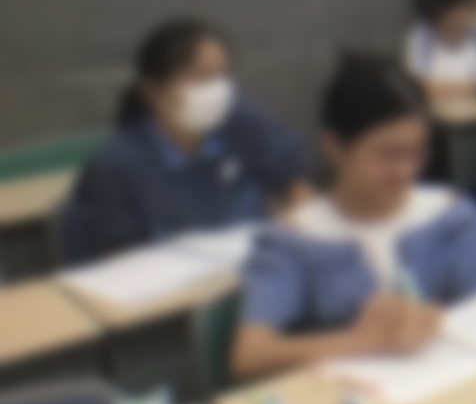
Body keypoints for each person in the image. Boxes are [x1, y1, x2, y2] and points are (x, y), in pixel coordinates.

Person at [230, 54, 476, 379]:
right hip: (349, 399)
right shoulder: (295, 240)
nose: (405, 170)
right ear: (334, 146)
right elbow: (250, 355)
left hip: (452, 385)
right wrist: (364, 340)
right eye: (387, 154)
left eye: (417, 152)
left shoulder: (454, 218)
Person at [59, 19, 310, 265]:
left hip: (258, 270)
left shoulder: (243, 120)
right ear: (152, 91)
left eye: (222, 75)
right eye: (201, 78)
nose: (216, 90)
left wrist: (302, 224)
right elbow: (117, 260)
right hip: (172, 285)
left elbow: (294, 184)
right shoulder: (118, 163)